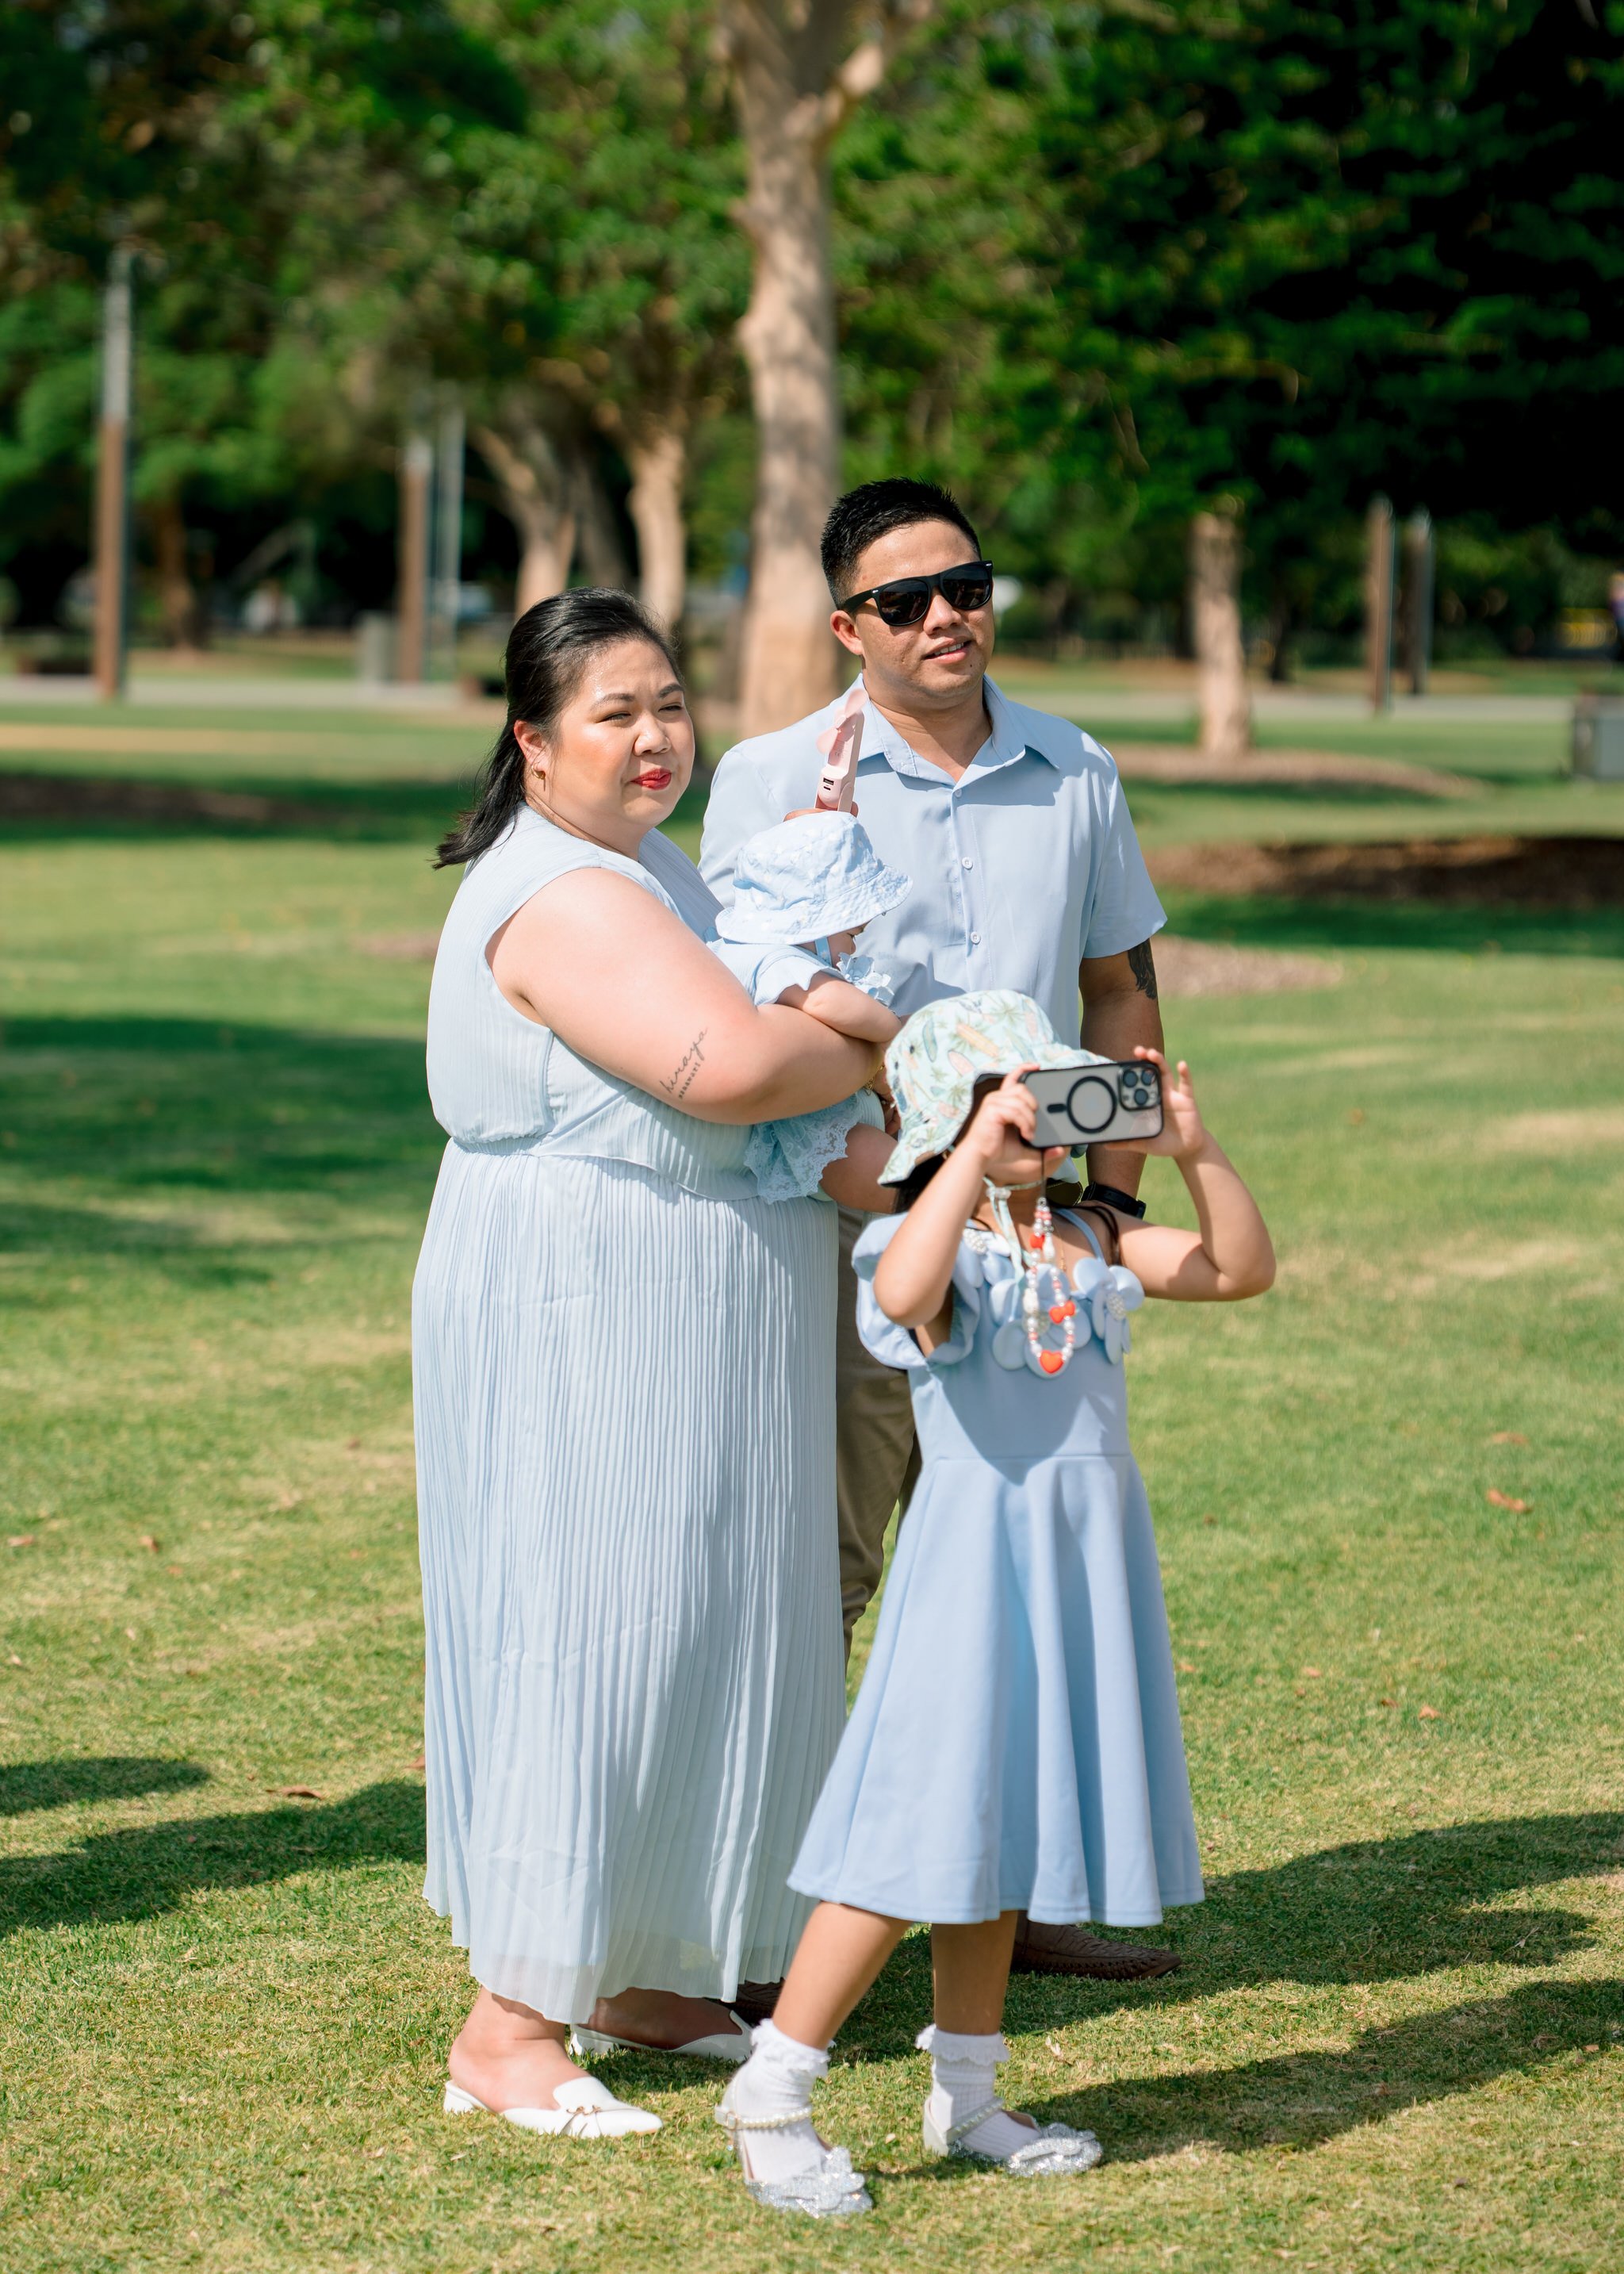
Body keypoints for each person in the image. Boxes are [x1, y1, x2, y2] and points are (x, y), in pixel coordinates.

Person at [414, 589, 886, 2142]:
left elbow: (766, 1056)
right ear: (533, 741)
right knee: (598, 1620)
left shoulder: (649, 865)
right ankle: (511, 2020)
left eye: (668, 704)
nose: (656, 735)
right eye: (614, 712)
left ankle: (649, 1968)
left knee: (705, 1618)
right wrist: (868, 1026)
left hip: (694, 1307)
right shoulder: (559, 892)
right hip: (588, 1299)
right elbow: (740, 1065)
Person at [701, 476, 1177, 1984]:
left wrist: (1106, 1203)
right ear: (846, 626)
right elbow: (751, 1010)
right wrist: (903, 1189)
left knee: (1014, 1574)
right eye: (903, 601)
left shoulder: (1072, 766)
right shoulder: (774, 775)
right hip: (862, 1239)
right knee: (823, 1580)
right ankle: (761, 1931)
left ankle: (1010, 1896)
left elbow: (1117, 986)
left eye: (964, 585)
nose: (943, 617)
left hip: (1034, 1247)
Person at [714, 991, 1276, 2216]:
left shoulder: (1091, 1234)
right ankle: (773, 2088)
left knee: (1006, 1829)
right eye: (1011, 1092)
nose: (1042, 1114)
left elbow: (1238, 1268)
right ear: (950, 1117)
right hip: (975, 1560)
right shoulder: (926, 1235)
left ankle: (967, 2089)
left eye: (1050, 1088)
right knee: (913, 1827)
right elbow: (909, 1292)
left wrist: (1195, 1151)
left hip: (1082, 1556)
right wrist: (967, 1162)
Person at [706, 811, 908, 1204]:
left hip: (823, 1102)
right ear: (810, 931)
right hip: (815, 1118)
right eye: (851, 934)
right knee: (852, 1155)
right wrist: (892, 1035)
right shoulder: (780, 962)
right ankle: (940, 1198)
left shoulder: (751, 954)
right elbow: (831, 1001)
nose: (852, 948)